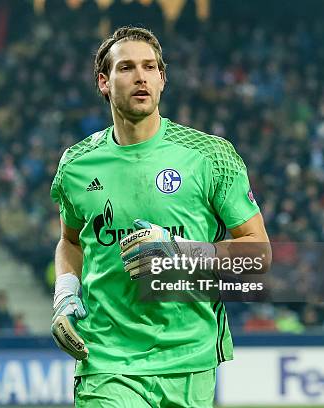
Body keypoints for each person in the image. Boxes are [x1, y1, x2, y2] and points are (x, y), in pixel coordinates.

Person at [50, 26, 271, 407]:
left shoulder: (210, 156)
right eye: (127, 67)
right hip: (106, 357)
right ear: (104, 82)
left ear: (163, 80)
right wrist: (65, 292)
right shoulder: (76, 164)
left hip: (189, 356)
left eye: (151, 67)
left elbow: (259, 255)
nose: (140, 76)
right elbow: (70, 241)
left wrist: (181, 254)